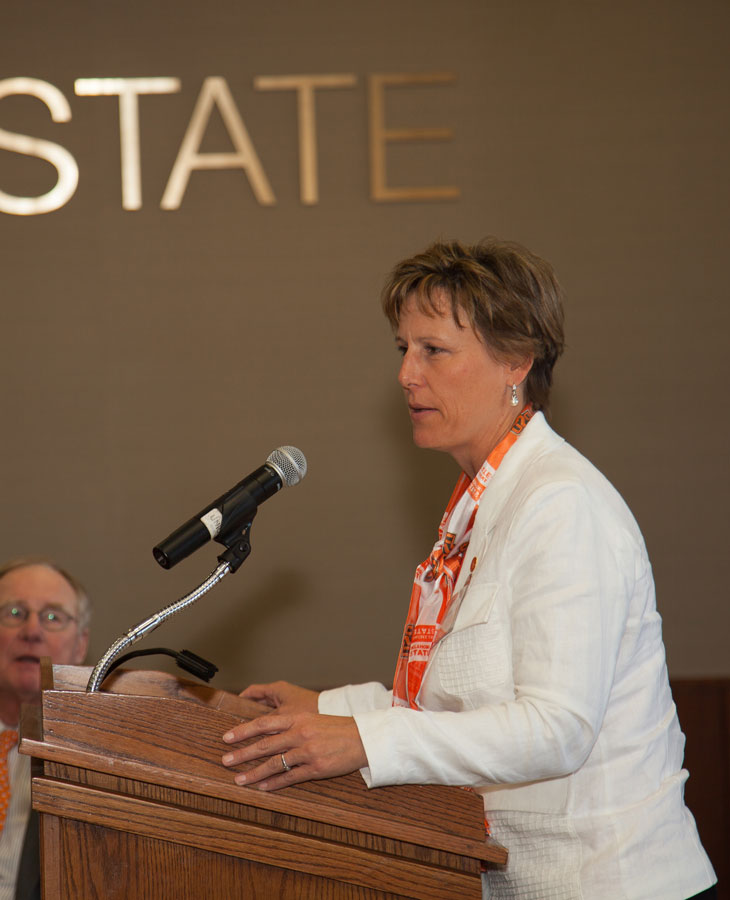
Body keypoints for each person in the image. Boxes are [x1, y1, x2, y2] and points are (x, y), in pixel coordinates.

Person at [220, 238, 718, 899]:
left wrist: (363, 739)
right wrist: (324, 710)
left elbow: (556, 727)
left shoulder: (560, 503)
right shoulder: (479, 503)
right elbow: (462, 703)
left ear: (515, 358)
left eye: (434, 350)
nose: (405, 373)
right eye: (403, 348)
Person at [0, 558, 90, 900]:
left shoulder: (93, 760)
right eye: (14, 613)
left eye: (53, 617)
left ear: (80, 645)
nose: (32, 631)